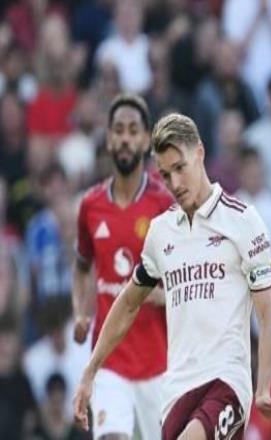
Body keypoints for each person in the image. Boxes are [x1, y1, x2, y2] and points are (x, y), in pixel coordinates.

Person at [73, 113, 271, 439]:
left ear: (199, 153)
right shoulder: (161, 233)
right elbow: (128, 303)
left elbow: (267, 313)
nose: (174, 184)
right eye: (165, 174)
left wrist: (262, 388)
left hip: (227, 382)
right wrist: (90, 371)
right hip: (176, 390)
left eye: (180, 168)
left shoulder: (243, 221)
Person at [72, 94, 172, 439]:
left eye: (133, 131)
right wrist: (80, 312)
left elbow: (188, 281)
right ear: (108, 138)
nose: (125, 138)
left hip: (159, 364)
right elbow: (81, 267)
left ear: (146, 141)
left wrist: (162, 296)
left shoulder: (164, 205)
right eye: (118, 130)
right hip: (110, 362)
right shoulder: (90, 206)